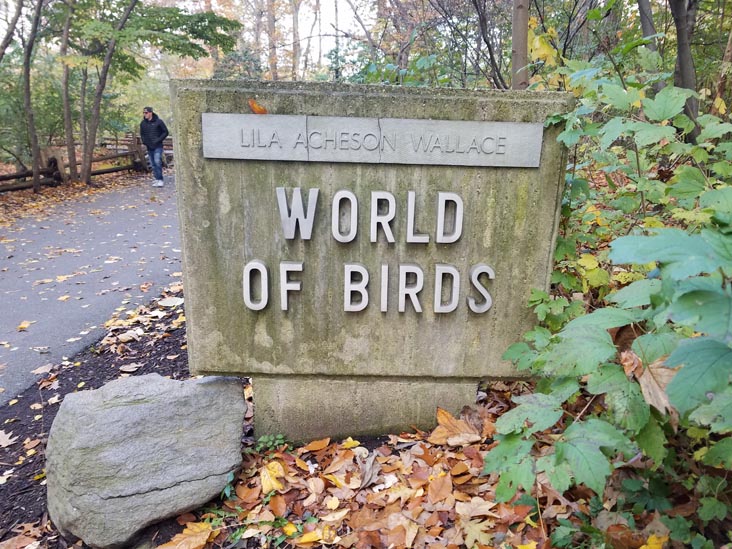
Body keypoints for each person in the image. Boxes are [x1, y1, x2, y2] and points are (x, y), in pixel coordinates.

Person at [140, 107, 169, 187]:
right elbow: (142, 134)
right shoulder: (143, 123)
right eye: (144, 113)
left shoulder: (159, 122)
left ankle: (160, 179)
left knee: (157, 162)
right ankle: (156, 179)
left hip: (158, 146)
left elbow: (165, 132)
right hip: (149, 147)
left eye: (146, 113)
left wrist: (158, 140)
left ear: (150, 113)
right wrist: (144, 142)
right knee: (153, 164)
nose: (144, 114)